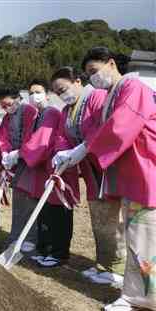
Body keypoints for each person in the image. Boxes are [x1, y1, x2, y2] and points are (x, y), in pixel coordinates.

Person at [81, 46, 156, 311]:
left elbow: (120, 127)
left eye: (94, 71)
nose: (93, 78)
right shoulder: (115, 92)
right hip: (135, 173)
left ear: (111, 63)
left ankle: (142, 298)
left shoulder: (133, 87)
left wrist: (86, 149)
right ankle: (137, 293)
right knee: (137, 235)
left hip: (146, 171)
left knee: (144, 237)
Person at [50, 66, 126, 284]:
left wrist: (84, 146)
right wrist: (62, 153)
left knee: (114, 219)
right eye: (57, 92)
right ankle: (103, 263)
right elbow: (62, 136)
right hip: (91, 172)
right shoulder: (67, 111)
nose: (62, 95)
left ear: (77, 82)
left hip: (107, 168)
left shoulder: (97, 97)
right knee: (99, 219)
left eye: (63, 88)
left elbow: (103, 126)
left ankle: (118, 269)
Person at [18, 80, 75, 268]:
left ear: (48, 94)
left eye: (39, 91)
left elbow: (41, 142)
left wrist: (21, 154)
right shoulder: (36, 115)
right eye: (31, 92)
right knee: (44, 212)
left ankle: (59, 253)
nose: (35, 95)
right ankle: (45, 249)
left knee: (59, 213)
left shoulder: (51, 113)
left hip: (57, 169)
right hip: (43, 170)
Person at [0, 86, 39, 254]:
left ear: (17, 97)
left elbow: (31, 136)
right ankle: (17, 235)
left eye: (8, 104)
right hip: (15, 166)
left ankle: (31, 238)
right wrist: (5, 152)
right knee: (19, 202)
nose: (6, 108)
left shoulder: (30, 112)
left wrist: (19, 153)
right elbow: (3, 137)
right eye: (2, 106)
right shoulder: (7, 118)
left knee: (30, 202)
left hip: (29, 163)